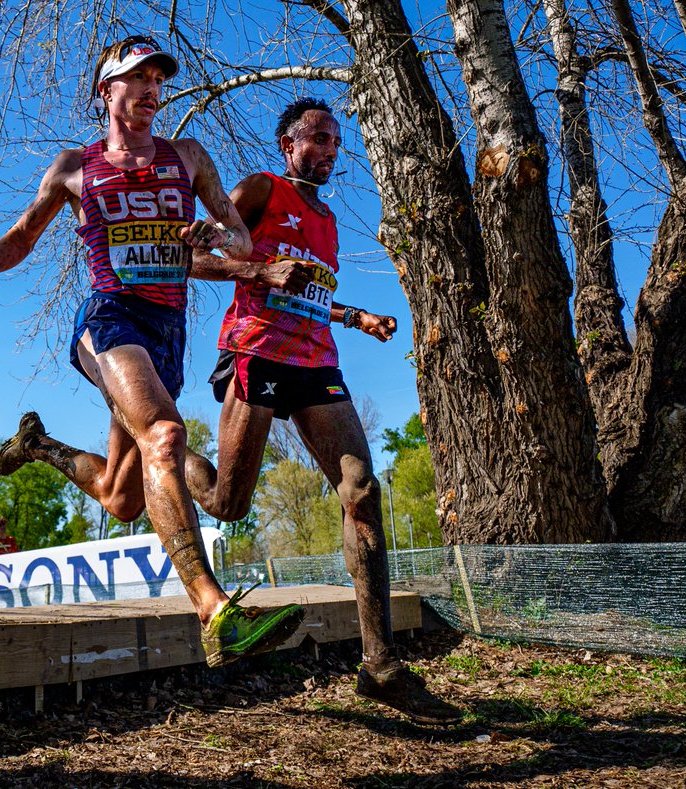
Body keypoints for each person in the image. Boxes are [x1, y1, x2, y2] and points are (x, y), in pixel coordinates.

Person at [0, 34, 304, 667]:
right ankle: (215, 611)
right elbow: (23, 236)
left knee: (123, 496)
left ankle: (41, 448)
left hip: (167, 334)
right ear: (106, 91)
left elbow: (240, 240)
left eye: (158, 80)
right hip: (109, 320)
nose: (151, 89)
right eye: (138, 77)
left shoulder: (188, 157)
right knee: (164, 435)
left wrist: (218, 233)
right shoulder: (73, 168)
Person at [183, 97, 461, 724]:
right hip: (255, 352)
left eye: (337, 143)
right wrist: (257, 267)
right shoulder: (260, 188)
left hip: (317, 363)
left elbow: (310, 290)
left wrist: (355, 316)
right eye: (319, 140)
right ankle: (167, 461)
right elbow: (193, 258)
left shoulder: (329, 220)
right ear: (288, 143)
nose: (331, 152)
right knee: (229, 504)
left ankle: (380, 665)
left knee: (362, 491)